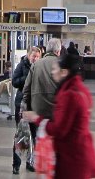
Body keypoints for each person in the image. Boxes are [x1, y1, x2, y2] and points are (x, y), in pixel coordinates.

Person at [23, 53, 95, 179]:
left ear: (64, 72)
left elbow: (59, 129)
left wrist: (37, 118)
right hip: (80, 153)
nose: (52, 73)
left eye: (55, 69)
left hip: (71, 159)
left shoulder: (69, 95)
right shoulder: (80, 89)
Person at [20, 38, 63, 174]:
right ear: (58, 50)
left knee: (39, 137)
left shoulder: (36, 64)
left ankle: (39, 162)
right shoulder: (61, 65)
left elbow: (26, 88)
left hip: (38, 109)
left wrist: (25, 106)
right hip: (56, 111)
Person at [11, 46, 41, 175]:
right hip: (22, 105)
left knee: (34, 136)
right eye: (33, 56)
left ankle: (30, 162)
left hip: (35, 106)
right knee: (21, 134)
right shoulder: (22, 65)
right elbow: (15, 82)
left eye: (37, 57)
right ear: (28, 56)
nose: (35, 59)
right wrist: (27, 78)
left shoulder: (40, 68)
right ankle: (16, 164)